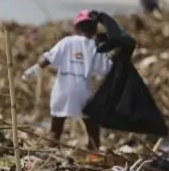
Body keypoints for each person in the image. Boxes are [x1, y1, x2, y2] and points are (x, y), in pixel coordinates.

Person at [22, 10, 112, 149]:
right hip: (83, 94)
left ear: (76, 28)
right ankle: (94, 156)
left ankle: (51, 154)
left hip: (62, 92)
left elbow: (47, 58)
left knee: (55, 130)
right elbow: (107, 69)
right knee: (93, 130)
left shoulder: (67, 42)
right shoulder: (96, 47)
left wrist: (34, 71)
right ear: (94, 29)